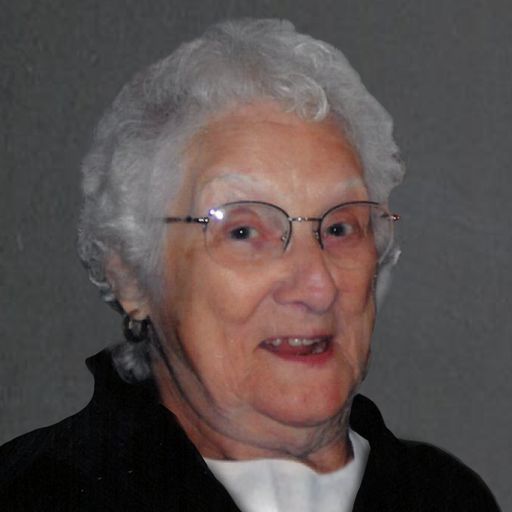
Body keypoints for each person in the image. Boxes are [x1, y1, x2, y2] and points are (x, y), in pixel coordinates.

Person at [0, 18, 500, 512]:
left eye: (340, 228)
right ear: (131, 275)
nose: (318, 286)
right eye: (242, 232)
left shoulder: (448, 496)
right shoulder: (35, 494)